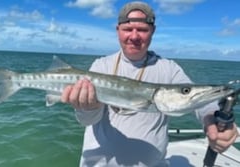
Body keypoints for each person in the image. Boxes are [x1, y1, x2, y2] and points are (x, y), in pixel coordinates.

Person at [61, 1, 239, 167]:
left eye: (142, 29)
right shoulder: (100, 66)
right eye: (128, 29)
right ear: (118, 30)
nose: (134, 36)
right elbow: (87, 120)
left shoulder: (169, 69)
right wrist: (87, 108)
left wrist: (211, 121)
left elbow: (202, 104)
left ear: (152, 31)